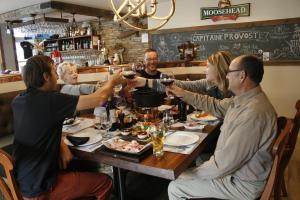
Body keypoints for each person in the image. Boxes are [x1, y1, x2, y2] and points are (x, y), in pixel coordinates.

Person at [166, 55, 277, 200]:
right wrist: (183, 93)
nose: (226, 76)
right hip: (236, 173)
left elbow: (223, 165)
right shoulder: (246, 100)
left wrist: (189, 173)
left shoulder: (252, 113)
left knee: (176, 186)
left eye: (230, 72)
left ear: (242, 76)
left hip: (240, 184)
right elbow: (215, 105)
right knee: (191, 169)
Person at [11, 55, 122, 200]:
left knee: (79, 168)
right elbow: (100, 99)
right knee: (105, 182)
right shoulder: (51, 100)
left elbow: (39, 130)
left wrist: (61, 143)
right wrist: (112, 81)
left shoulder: (18, 100)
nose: (57, 77)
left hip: (23, 182)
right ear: (46, 76)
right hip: (42, 189)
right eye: (54, 72)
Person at [128, 51, 234, 100]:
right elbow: (181, 84)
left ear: (218, 69)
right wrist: (145, 82)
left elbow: (214, 106)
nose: (204, 71)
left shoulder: (235, 93)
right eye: (149, 59)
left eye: (207, 67)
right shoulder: (208, 84)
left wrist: (184, 94)